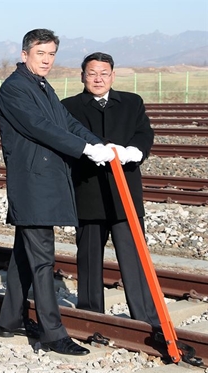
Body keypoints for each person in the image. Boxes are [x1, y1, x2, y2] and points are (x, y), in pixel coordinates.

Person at [0, 29, 115, 356]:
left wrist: (99, 144)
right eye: (41, 54)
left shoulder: (42, 87)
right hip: (32, 184)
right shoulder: (14, 89)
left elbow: (67, 122)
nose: (47, 60)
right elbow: (41, 128)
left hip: (45, 182)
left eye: (51, 54)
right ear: (25, 55)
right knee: (43, 261)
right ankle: (52, 332)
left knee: (25, 254)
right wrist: (84, 150)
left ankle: (9, 320)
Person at [61, 52, 159, 326]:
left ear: (113, 76)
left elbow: (144, 134)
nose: (98, 78)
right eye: (92, 73)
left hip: (124, 192)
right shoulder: (67, 106)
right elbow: (64, 140)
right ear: (82, 76)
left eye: (104, 73)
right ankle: (91, 315)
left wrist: (133, 152)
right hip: (88, 192)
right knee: (89, 257)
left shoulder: (131, 102)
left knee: (134, 255)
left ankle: (146, 316)